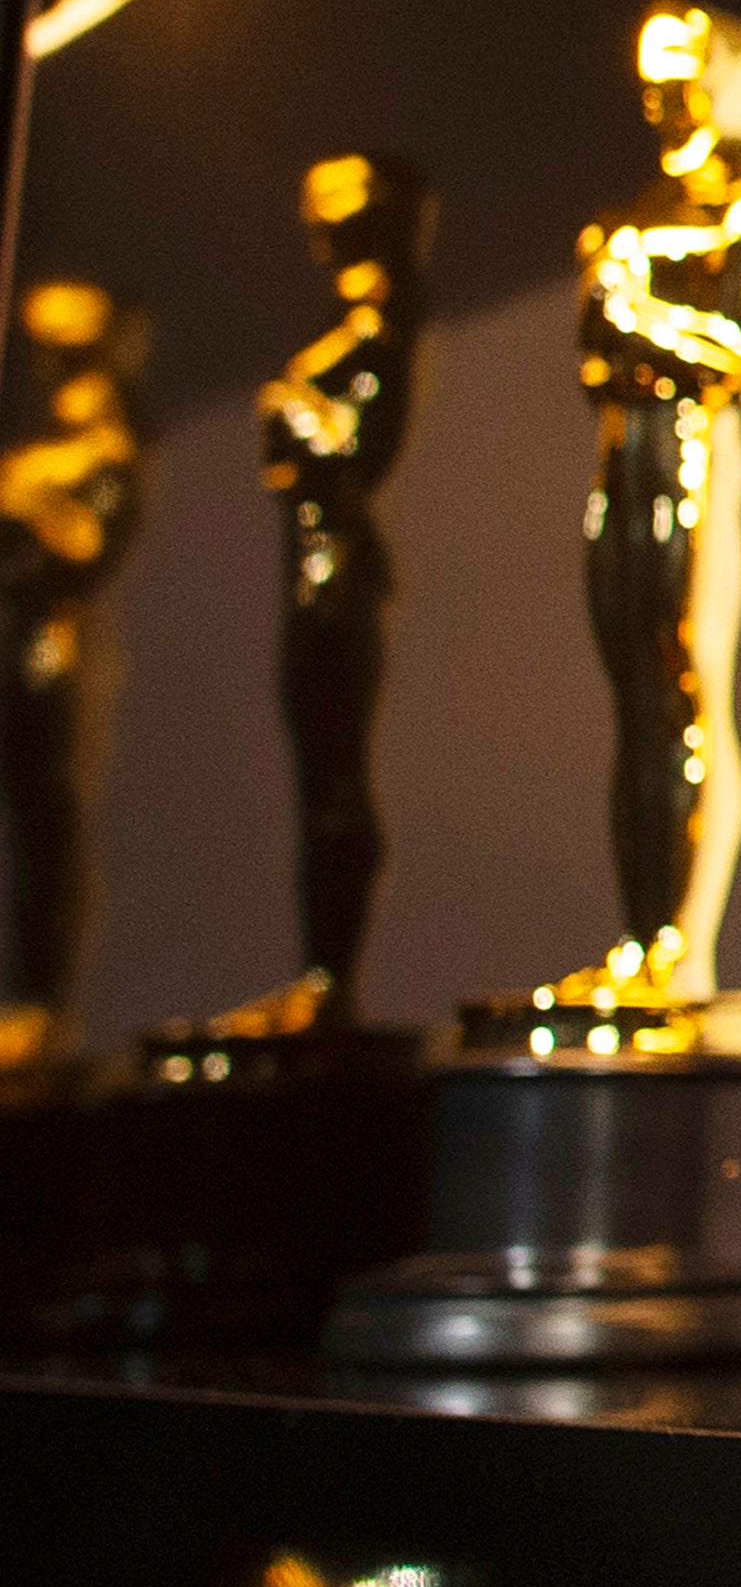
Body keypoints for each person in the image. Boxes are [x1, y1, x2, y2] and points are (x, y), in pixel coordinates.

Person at [568, 8, 741, 1005]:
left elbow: (739, 357)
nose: (660, 94)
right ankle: (642, 937)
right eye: (651, 74)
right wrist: (626, 322)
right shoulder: (631, 216)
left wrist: (636, 315)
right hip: (622, 454)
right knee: (632, 704)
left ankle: (682, 941)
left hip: (692, 453)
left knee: (680, 691)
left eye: (679, 72)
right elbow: (593, 350)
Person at [246, 157, 430, 1031]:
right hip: (314, 567)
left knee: (334, 778)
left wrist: (291, 411)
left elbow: (350, 442)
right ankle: (322, 977)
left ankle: (330, 979)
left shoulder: (379, 322)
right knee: (319, 770)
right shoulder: (360, 320)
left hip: (338, 570)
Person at [0, 280, 145, 1078]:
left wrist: (29, 507)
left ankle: (41, 1002)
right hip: (20, 640)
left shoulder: (104, 444)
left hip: (53, 647)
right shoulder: (54, 445)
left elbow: (88, 548)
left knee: (44, 824)